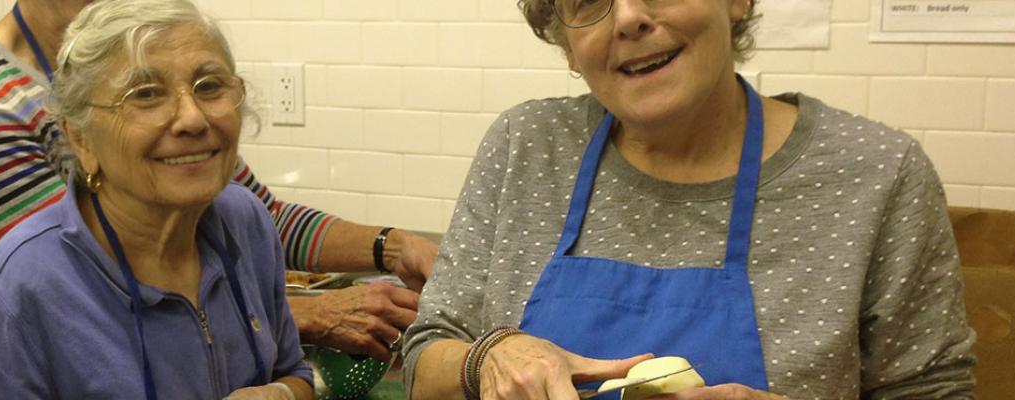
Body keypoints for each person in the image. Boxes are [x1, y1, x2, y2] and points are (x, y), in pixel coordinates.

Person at [402, 0, 977, 399]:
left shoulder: (874, 173)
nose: (628, 17)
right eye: (588, 0)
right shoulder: (525, 147)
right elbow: (427, 355)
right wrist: (487, 359)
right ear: (568, 47)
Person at [0, 0, 434, 398]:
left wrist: (392, 246)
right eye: (144, 94)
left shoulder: (231, 215)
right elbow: (90, 280)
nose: (190, 118)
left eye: (210, 87)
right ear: (79, 136)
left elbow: (258, 217)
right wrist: (317, 311)